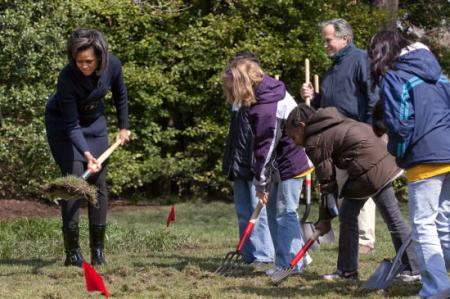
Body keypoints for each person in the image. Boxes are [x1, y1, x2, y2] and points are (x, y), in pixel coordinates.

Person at [286, 103, 420, 281]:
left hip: (370, 169)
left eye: (293, 137)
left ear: (302, 126)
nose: (294, 143)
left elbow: (327, 183)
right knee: (383, 216)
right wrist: (326, 218)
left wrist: (325, 220)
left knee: (357, 216)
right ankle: (411, 268)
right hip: (384, 159)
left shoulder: (314, 141)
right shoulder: (332, 120)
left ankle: (350, 271)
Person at [369, 31, 450, 299]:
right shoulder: (441, 76)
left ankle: (436, 289)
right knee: (445, 224)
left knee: (424, 226)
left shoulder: (395, 77)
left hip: (424, 159)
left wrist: (397, 152)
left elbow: (400, 125)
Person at [45, 28, 130, 267]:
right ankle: (72, 253)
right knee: (75, 181)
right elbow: (71, 125)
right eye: (79, 61)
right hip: (64, 127)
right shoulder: (67, 77)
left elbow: (120, 95)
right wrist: (87, 155)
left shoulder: (113, 65)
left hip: (95, 124)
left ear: (100, 57)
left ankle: (98, 251)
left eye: (89, 61)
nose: (84, 66)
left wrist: (123, 127)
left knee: (98, 183)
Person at [222, 58, 314, 276]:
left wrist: (260, 182)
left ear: (242, 83)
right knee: (274, 211)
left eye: (231, 87)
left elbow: (266, 147)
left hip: (293, 162)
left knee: (285, 212)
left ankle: (292, 264)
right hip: (279, 163)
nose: (230, 92)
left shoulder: (267, 106)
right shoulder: (265, 91)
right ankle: (288, 260)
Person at [300, 18, 378, 254]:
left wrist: (370, 129)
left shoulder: (361, 59)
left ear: (345, 39)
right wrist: (313, 97)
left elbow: (373, 96)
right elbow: (327, 102)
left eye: (328, 40)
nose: (325, 45)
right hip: (337, 136)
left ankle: (365, 240)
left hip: (358, 133)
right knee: (344, 187)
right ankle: (351, 236)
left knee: (362, 185)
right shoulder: (333, 67)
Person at [222, 51, 274, 269]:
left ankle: (264, 255)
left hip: (254, 163)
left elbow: (262, 137)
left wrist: (259, 166)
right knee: (243, 210)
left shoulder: (259, 99)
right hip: (238, 162)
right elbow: (235, 136)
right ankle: (248, 252)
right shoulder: (236, 100)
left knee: (257, 211)